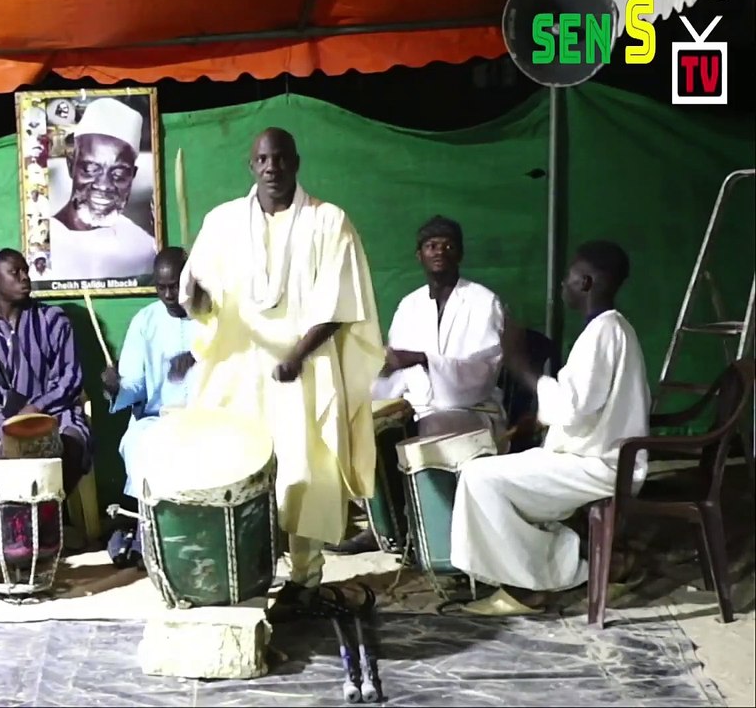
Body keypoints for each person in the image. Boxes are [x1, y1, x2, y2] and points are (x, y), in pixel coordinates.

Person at [179, 127, 385, 614]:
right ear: (251, 166)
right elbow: (204, 297)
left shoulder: (328, 221)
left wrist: (296, 354)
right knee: (243, 470)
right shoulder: (222, 222)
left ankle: (305, 578)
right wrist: (198, 297)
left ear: (296, 162)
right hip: (241, 370)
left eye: (280, 159)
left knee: (304, 471)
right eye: (262, 160)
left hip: (304, 369)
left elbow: (340, 302)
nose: (271, 168)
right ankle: (246, 571)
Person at [450, 240, 650, 616]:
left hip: (602, 465)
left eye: (568, 278)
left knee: (480, 477)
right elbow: (585, 404)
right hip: (598, 457)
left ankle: (529, 588)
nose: (563, 285)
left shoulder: (604, 332)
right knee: (491, 476)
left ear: (586, 282)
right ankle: (577, 564)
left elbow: (572, 407)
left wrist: (519, 362)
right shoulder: (609, 330)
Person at [335, 215, 507, 554]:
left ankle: (431, 533)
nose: (439, 251)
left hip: (470, 409)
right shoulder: (409, 305)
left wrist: (423, 359)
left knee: (428, 427)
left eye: (448, 245)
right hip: (417, 403)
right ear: (419, 255)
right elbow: (396, 369)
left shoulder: (484, 302)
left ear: (459, 254)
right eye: (431, 246)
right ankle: (386, 527)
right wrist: (375, 374)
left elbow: (483, 370)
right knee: (369, 426)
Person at [0, 249, 92, 494]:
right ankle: (5, 518)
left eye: (26, 271)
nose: (25, 277)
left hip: (52, 411)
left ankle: (52, 510)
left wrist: (36, 407)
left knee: (72, 440)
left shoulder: (53, 320)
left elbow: (70, 378)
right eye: (15, 272)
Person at [102, 247, 199, 499]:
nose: (168, 295)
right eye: (161, 287)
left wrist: (199, 360)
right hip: (157, 421)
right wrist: (116, 387)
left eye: (175, 286)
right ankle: (152, 527)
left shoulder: (214, 315)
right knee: (138, 445)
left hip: (208, 418)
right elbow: (135, 385)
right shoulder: (144, 321)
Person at [49, 98, 158, 280]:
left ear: (133, 175)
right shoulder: (45, 242)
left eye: (118, 173)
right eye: (91, 168)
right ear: (70, 166)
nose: (104, 185)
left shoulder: (144, 246)